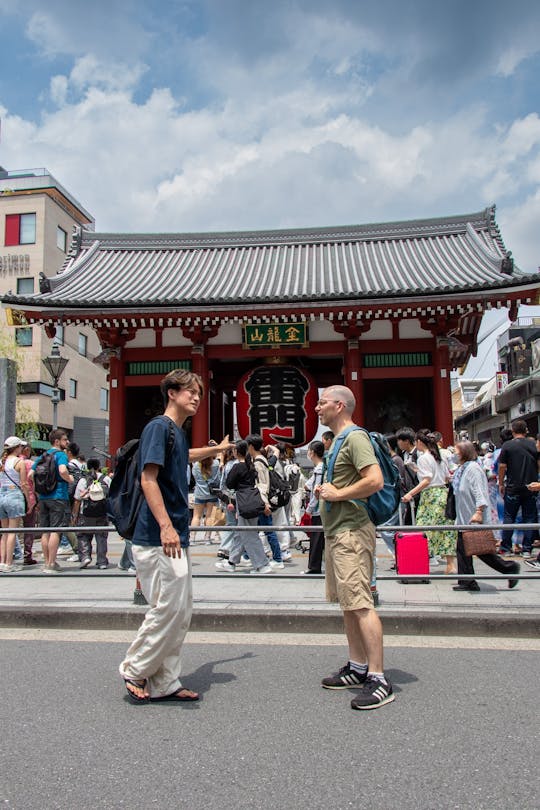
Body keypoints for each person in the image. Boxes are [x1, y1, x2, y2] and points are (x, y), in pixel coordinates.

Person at [119, 368, 232, 704]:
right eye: (189, 391)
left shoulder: (176, 434)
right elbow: (148, 479)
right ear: (171, 392)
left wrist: (217, 449)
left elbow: (187, 456)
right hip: (156, 536)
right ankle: (135, 667)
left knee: (180, 610)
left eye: (198, 392)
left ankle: (165, 681)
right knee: (167, 608)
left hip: (172, 535)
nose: (196, 397)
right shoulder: (158, 427)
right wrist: (166, 526)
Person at [315, 385, 394, 710]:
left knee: (360, 603)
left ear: (339, 405)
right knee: (348, 603)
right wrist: (330, 490)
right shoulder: (338, 442)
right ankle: (358, 666)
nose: (317, 408)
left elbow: (374, 480)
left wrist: (337, 495)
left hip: (351, 532)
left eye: (322, 403)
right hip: (338, 532)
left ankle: (378, 678)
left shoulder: (356, 438)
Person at [452, 441, 520, 591]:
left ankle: (509, 568)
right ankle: (467, 581)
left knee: (481, 550)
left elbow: (480, 493)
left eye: (456, 452)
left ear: (465, 452)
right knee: (463, 550)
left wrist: (478, 512)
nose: (454, 455)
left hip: (474, 517)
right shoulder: (461, 469)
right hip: (464, 518)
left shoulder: (473, 469)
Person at [402, 430, 457, 574]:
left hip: (430, 496)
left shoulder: (423, 458)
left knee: (423, 529)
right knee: (445, 529)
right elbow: (446, 477)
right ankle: (450, 564)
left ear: (420, 442)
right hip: (443, 493)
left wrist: (410, 493)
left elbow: (426, 480)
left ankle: (421, 560)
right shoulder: (438, 456)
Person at [215, 440, 273, 573]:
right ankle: (231, 562)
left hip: (243, 501)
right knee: (241, 533)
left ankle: (262, 564)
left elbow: (229, 484)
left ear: (236, 452)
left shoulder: (237, 467)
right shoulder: (251, 465)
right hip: (253, 500)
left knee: (249, 534)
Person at [31, 429, 73, 574]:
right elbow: (62, 471)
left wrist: (37, 490)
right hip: (58, 496)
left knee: (45, 531)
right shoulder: (61, 455)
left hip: (43, 497)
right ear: (57, 441)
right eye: (65, 439)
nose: (67, 442)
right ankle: (51, 563)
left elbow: (31, 473)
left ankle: (46, 563)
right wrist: (70, 479)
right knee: (56, 530)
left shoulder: (43, 455)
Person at [497, 419, 539, 557]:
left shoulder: (507, 446)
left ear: (513, 431)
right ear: (526, 430)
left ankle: (506, 547)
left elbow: (502, 466)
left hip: (513, 486)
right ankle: (527, 549)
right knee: (529, 517)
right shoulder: (533, 444)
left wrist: (501, 483)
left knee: (509, 517)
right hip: (531, 486)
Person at [247, 436, 284, 567]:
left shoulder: (257, 462)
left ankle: (278, 558)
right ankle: (248, 555)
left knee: (267, 530)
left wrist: (265, 504)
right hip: (262, 500)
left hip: (261, 501)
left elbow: (261, 485)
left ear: (251, 446)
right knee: (257, 529)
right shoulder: (263, 460)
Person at [73, 458, 110, 569]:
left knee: (83, 535)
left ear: (88, 467)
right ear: (99, 466)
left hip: (86, 513)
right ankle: (102, 561)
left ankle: (85, 557)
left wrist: (75, 515)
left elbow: (77, 499)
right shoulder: (106, 479)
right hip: (102, 512)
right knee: (101, 537)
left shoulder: (83, 480)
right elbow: (112, 496)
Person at [0, 437, 30, 572]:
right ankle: (9, 563)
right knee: (12, 532)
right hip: (14, 494)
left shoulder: (2, 461)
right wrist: (28, 501)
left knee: (4, 532)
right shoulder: (19, 462)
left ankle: (2, 562)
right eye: (20, 447)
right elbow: (24, 484)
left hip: (2, 495)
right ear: (17, 448)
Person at [302, 440, 325, 575]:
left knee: (316, 539)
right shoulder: (322, 468)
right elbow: (309, 485)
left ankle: (314, 567)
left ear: (312, 452)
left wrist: (308, 510)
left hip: (318, 510)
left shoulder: (319, 469)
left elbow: (316, 493)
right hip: (321, 509)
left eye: (309, 451)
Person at [191, 445, 220, 544]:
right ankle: (207, 538)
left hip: (199, 493)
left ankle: (192, 538)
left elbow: (194, 477)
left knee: (196, 516)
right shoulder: (215, 464)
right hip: (212, 494)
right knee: (209, 517)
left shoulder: (195, 465)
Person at [18, 442, 38, 565]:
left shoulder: (6, 463)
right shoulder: (29, 464)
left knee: (7, 529)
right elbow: (33, 483)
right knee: (28, 527)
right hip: (28, 498)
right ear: (26, 450)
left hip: (7, 497)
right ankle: (27, 555)